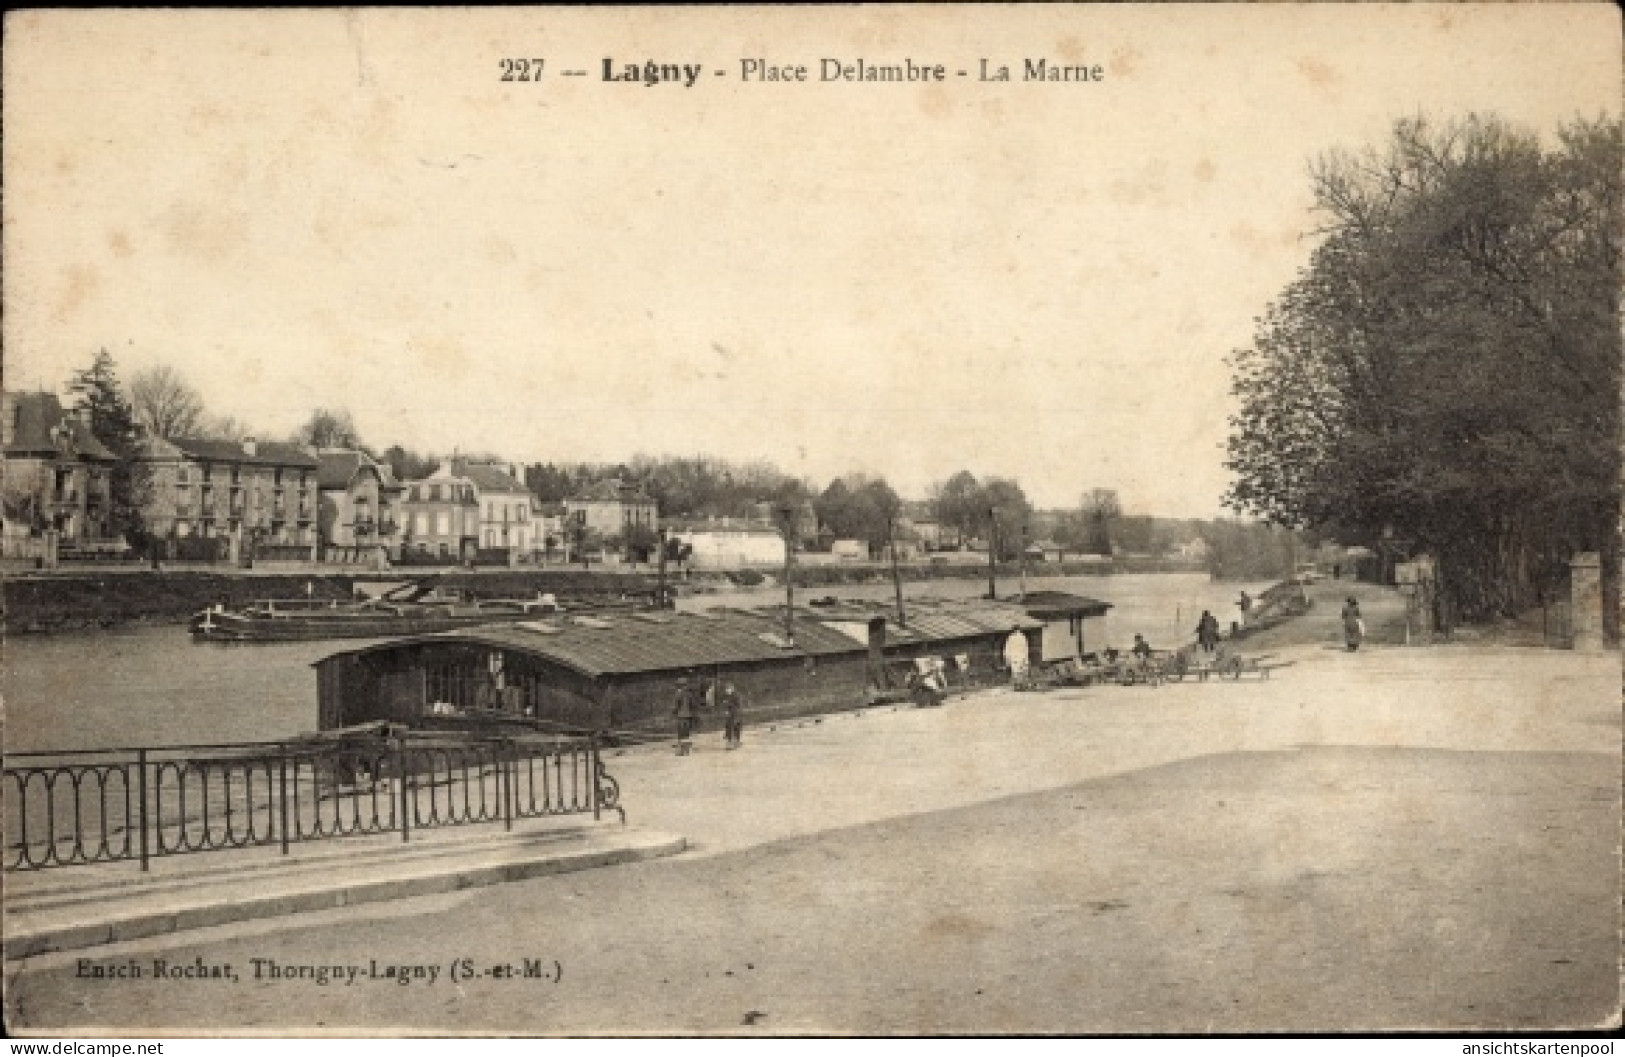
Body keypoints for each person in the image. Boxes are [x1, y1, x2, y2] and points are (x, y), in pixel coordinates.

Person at [672, 676, 697, 755]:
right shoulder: (689, 694)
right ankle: (686, 750)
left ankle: (680, 751)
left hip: (681, 716)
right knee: (687, 732)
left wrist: (674, 712)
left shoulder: (678, 694)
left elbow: (676, 706)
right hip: (688, 716)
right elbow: (693, 705)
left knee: (681, 733)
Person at [720, 682, 744, 749]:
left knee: (735, 727)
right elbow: (724, 704)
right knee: (729, 727)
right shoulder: (726, 696)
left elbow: (738, 705)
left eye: (728, 689)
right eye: (726, 689)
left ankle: (736, 741)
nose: (726, 691)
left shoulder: (736, 695)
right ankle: (730, 742)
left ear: (731, 689)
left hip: (736, 714)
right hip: (730, 715)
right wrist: (726, 709)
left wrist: (729, 707)